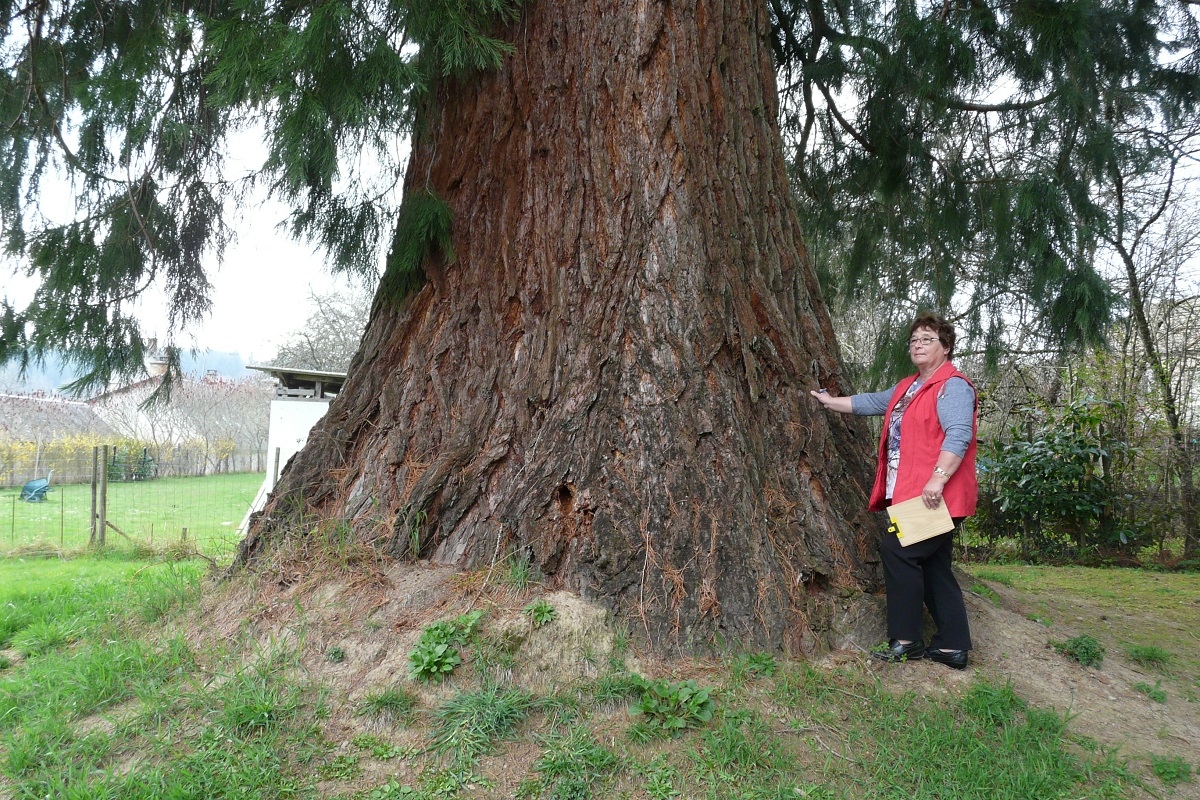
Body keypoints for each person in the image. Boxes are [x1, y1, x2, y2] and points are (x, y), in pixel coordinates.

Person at [810, 314, 978, 670]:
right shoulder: (908, 387)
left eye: (927, 339)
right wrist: (830, 402)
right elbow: (871, 402)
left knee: (897, 551)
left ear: (945, 347)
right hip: (914, 491)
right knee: (934, 566)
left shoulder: (952, 386)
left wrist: (938, 478)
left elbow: (959, 434)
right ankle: (952, 645)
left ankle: (906, 640)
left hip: (937, 494)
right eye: (914, 340)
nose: (917, 345)